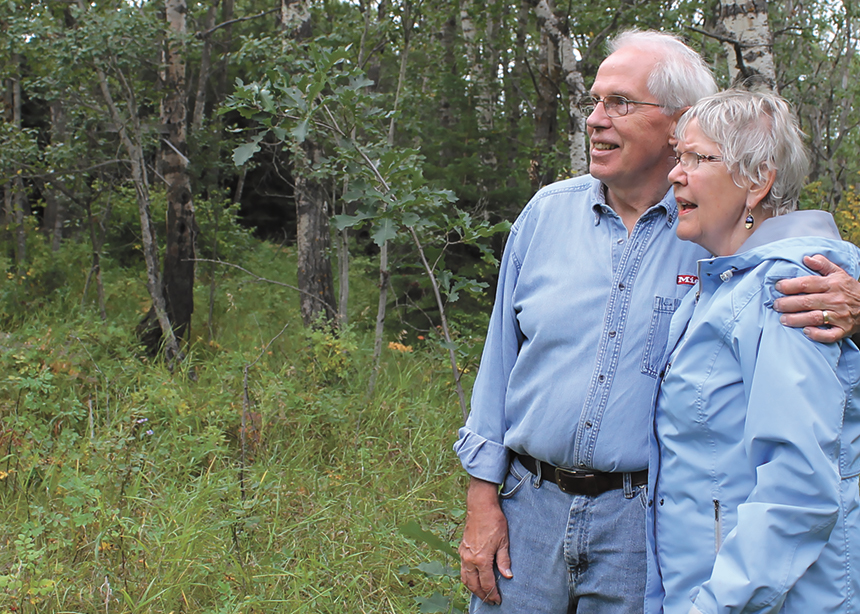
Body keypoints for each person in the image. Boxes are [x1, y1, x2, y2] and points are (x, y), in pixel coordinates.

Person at [454, 29, 860, 613]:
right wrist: (481, 496)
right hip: (527, 507)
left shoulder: (724, 241)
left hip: (645, 524)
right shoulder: (546, 215)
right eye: (592, 102)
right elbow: (499, 366)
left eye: (619, 103)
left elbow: (806, 440)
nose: (595, 120)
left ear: (679, 123)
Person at [645, 90, 860, 614]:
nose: (676, 174)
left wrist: (714, 607)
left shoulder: (788, 290)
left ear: (756, 181)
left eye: (697, 158)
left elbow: (799, 486)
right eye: (679, 157)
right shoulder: (723, 286)